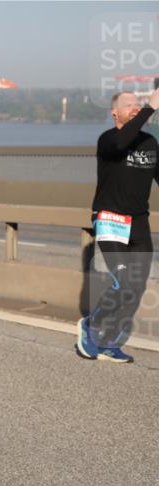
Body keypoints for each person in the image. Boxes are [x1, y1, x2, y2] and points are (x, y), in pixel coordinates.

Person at [77, 87, 159, 363]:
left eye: (138, 104)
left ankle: (110, 342)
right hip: (111, 219)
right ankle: (91, 326)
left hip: (139, 224)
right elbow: (124, 141)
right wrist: (150, 107)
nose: (135, 108)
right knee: (122, 282)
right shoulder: (109, 140)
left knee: (136, 287)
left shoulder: (150, 142)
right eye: (129, 105)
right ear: (114, 112)